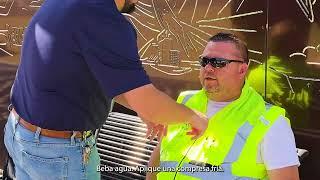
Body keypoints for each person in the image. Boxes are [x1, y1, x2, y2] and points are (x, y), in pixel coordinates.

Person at [3, 0, 209, 179]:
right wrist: (193, 116)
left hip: (22, 135)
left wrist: (140, 106)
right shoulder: (104, 19)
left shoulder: (68, 5)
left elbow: (103, 79)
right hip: (57, 154)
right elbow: (150, 105)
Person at [147, 32, 300, 180]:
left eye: (219, 63)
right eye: (204, 61)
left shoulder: (269, 121)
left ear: (242, 69)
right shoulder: (185, 101)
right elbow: (159, 157)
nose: (208, 68)